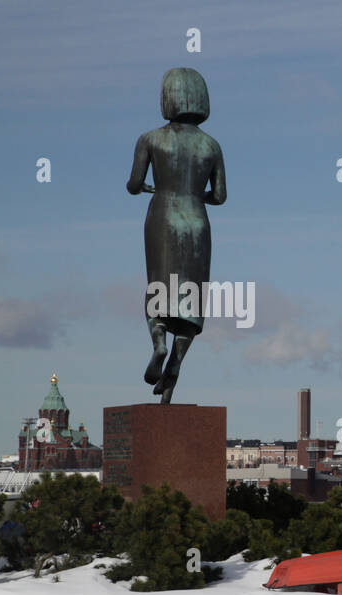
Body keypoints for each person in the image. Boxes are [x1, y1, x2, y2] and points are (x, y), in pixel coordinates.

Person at [126, 67, 226, 403]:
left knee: (159, 289)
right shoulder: (211, 145)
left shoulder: (151, 139)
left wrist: (150, 187)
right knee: (193, 299)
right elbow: (221, 196)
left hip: (162, 217)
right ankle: (176, 363)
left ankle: (158, 343)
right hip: (197, 222)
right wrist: (197, 195)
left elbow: (134, 185)